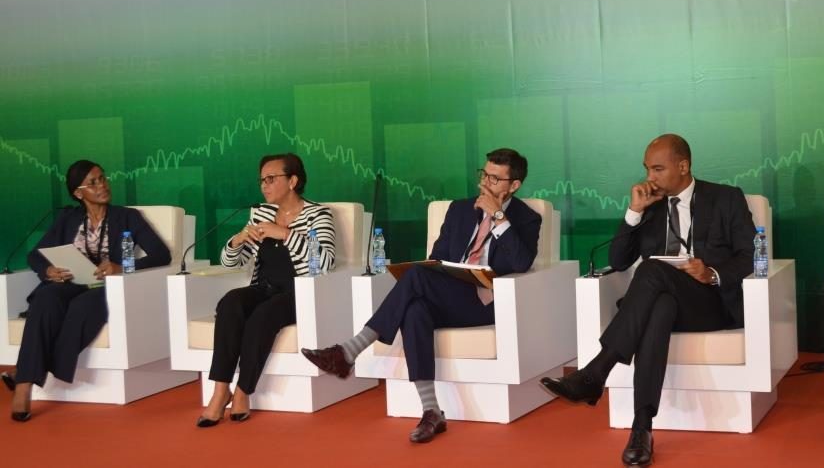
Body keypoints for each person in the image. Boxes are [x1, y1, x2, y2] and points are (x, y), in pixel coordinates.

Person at [540, 134, 755, 466]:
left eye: (658, 169)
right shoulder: (650, 205)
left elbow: (749, 255)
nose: (649, 177)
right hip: (663, 300)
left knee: (652, 269)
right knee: (660, 307)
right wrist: (634, 212)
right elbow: (618, 261)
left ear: (683, 166)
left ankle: (597, 371)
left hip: (710, 304)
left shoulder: (726, 198)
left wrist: (712, 273)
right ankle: (641, 429)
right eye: (647, 169)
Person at [301, 148, 541, 443]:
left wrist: (498, 216)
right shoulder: (459, 209)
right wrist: (449, 270)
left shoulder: (526, 219)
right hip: (452, 294)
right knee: (415, 309)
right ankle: (431, 411)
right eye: (484, 175)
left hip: (487, 302)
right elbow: (437, 257)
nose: (485, 183)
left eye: (495, 179)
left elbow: (521, 263)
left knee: (415, 277)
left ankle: (350, 350)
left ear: (514, 185)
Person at [2, 160, 171, 422]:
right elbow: (35, 255)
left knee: (83, 306)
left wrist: (122, 267)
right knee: (46, 298)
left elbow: (161, 254)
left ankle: (23, 377)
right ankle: (24, 386)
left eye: (103, 178)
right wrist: (48, 270)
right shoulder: (67, 219)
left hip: (108, 286)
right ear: (78, 193)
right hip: (71, 282)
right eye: (93, 182)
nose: (102, 185)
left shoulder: (128, 217)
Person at [195, 153, 336, 427]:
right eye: (262, 180)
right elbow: (231, 263)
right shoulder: (261, 213)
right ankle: (220, 390)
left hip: (299, 292)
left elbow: (325, 262)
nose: (264, 185)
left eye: (271, 179)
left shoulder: (318, 214)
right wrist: (237, 241)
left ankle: (243, 391)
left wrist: (284, 233)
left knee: (263, 315)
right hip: (264, 287)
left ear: (292, 181)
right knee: (230, 302)